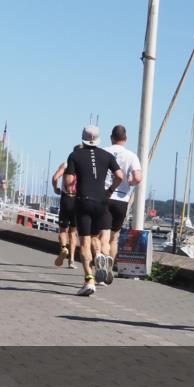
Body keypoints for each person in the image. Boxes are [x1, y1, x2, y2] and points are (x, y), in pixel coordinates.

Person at [64, 125, 124, 296]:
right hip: (102, 202)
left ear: (82, 137)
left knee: (84, 242)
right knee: (96, 236)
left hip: (83, 201)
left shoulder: (75, 155)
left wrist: (72, 186)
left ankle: (89, 280)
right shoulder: (107, 155)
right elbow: (120, 175)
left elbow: (69, 180)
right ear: (99, 139)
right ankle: (98, 255)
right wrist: (111, 189)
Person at [103, 124, 143, 274]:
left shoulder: (103, 152)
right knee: (114, 237)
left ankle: (101, 263)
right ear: (125, 139)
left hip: (105, 196)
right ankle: (108, 269)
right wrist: (129, 182)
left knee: (103, 235)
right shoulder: (132, 156)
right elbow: (138, 178)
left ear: (111, 137)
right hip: (122, 199)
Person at [51, 157, 78, 269]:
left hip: (66, 199)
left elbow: (55, 177)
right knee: (73, 232)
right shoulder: (84, 165)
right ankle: (71, 260)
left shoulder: (66, 165)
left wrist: (55, 188)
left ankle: (63, 248)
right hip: (77, 200)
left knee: (63, 229)